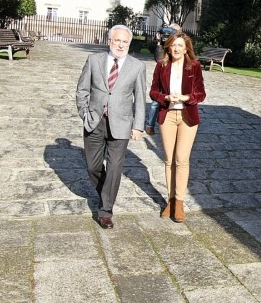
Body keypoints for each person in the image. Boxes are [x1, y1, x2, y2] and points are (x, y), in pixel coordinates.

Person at [76, 24, 146, 229]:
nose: (121, 45)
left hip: (121, 124)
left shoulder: (137, 66)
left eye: (125, 41)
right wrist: (85, 114)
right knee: (93, 166)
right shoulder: (94, 60)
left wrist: (138, 126)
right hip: (95, 121)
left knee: (115, 167)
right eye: (117, 40)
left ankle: (106, 210)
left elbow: (140, 99)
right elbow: (82, 90)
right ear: (109, 41)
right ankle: (106, 192)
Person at [150, 32, 205, 222]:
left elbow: (201, 94)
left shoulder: (194, 66)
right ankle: (170, 200)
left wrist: (186, 98)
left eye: (180, 45)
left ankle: (180, 202)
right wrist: (165, 97)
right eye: (173, 45)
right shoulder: (161, 65)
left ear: (186, 48)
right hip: (168, 116)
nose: (176, 49)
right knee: (168, 159)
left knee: (181, 159)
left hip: (187, 116)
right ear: (168, 47)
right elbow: (153, 91)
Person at [146, 23, 181, 135]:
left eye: (172, 30)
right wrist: (159, 43)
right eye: (168, 30)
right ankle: (150, 125)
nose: (169, 33)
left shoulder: (181, 43)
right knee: (156, 102)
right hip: (164, 75)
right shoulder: (165, 45)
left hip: (176, 77)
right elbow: (158, 59)